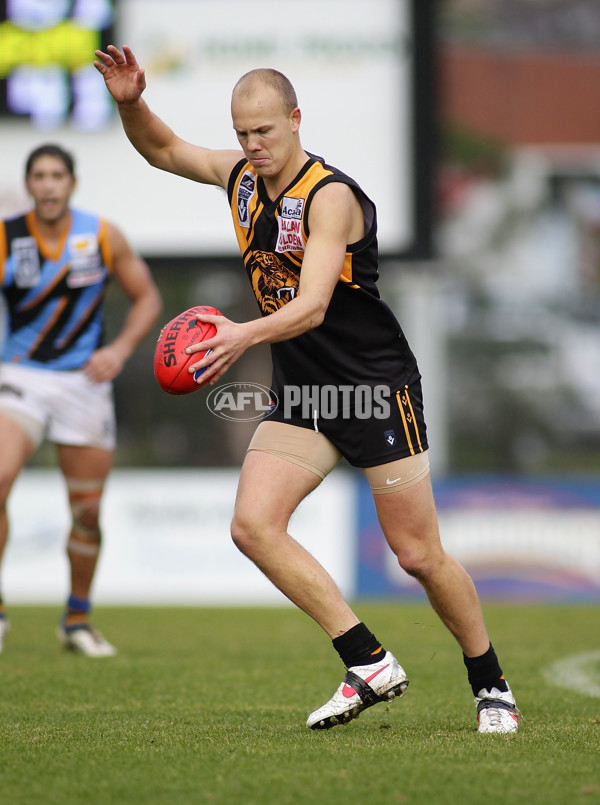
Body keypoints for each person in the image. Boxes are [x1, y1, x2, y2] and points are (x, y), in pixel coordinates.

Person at [94, 45, 519, 733]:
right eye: (242, 134)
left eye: (265, 130)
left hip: (372, 387)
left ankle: (491, 683)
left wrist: (239, 335)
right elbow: (165, 151)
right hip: (305, 393)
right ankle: (369, 660)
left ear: (295, 119)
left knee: (418, 555)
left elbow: (314, 305)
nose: (252, 145)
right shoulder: (239, 179)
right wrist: (131, 104)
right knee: (252, 525)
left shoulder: (330, 198)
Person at [0, 143, 162, 657]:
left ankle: (77, 619)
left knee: (87, 512)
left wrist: (119, 349)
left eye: (56, 175)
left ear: (72, 183)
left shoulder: (102, 234)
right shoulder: (7, 237)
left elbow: (149, 298)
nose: (48, 184)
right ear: (29, 185)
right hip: (21, 378)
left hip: (86, 385)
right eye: (39, 176)